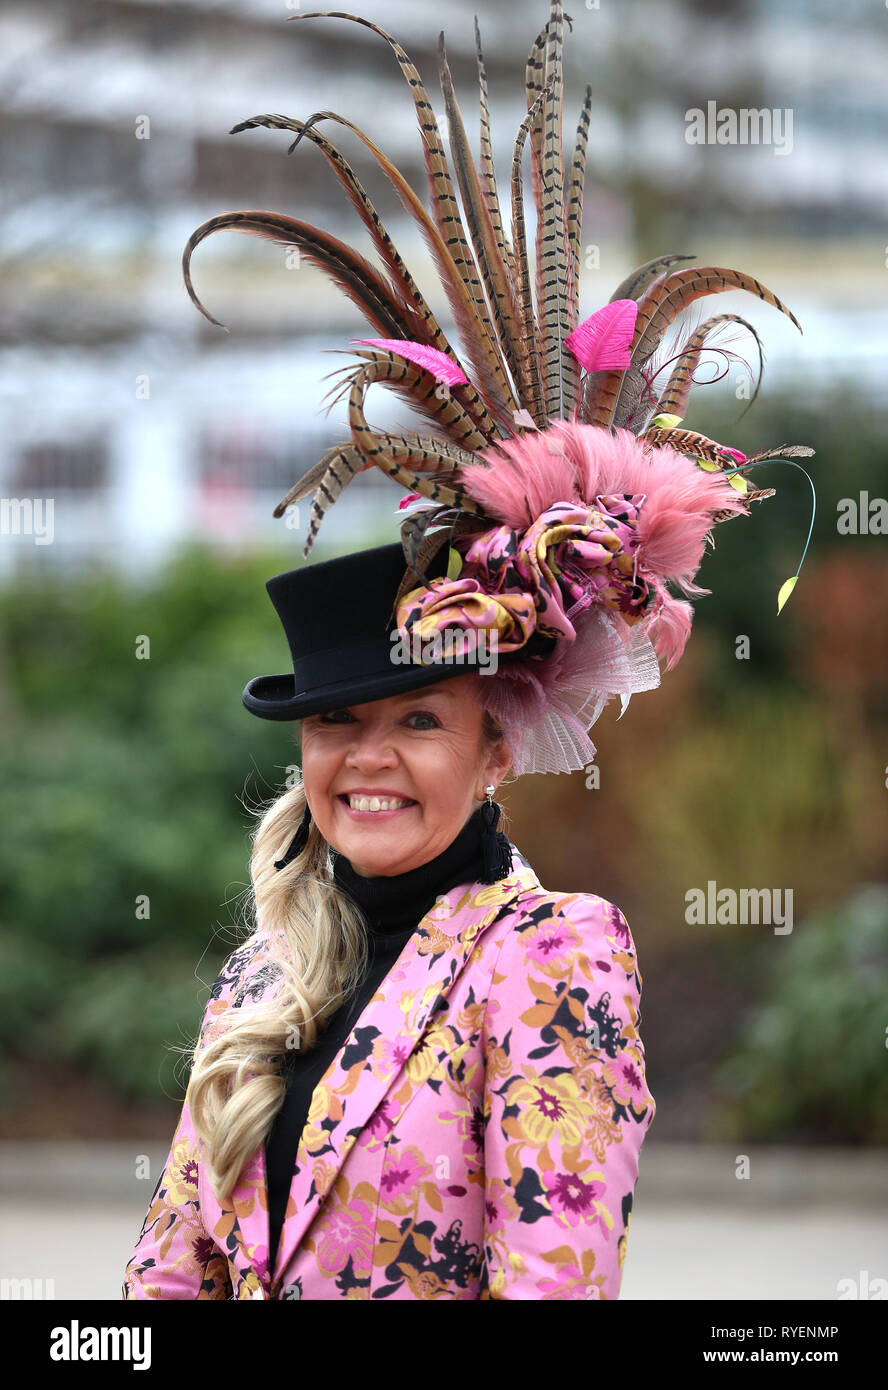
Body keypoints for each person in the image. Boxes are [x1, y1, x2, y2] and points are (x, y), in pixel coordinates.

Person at [123, 0, 812, 1300]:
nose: (366, 758)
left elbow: (552, 1285)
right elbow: (164, 1286)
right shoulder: (259, 978)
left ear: (498, 739)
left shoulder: (549, 960)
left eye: (419, 720)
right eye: (337, 722)